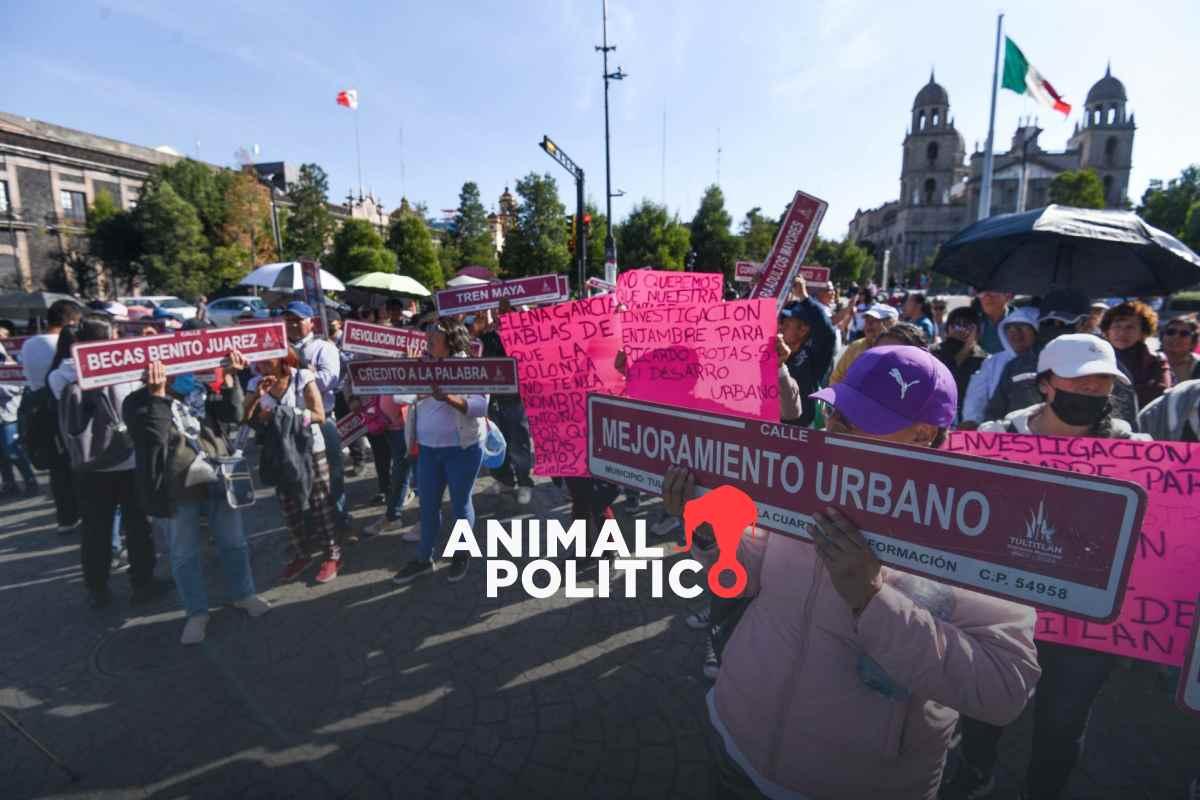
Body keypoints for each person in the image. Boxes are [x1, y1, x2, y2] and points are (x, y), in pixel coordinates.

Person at [664, 346, 1039, 799]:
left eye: (859, 420)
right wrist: (712, 533)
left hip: (860, 782)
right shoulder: (810, 481)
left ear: (923, 436)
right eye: (836, 411)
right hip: (737, 737)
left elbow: (1004, 688)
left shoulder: (974, 528)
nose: (833, 429)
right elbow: (756, 575)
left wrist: (872, 600)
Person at [947, 334, 1147, 800]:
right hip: (1001, 610)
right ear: (1046, 385)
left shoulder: (1137, 451)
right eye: (1080, 384)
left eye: (1103, 386)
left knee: (1062, 723)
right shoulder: (996, 438)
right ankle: (977, 769)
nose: (1092, 395)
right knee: (987, 705)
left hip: (1084, 626)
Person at [124, 355, 271, 645]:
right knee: (184, 553)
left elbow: (233, 413)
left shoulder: (199, 388)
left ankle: (244, 594)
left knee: (234, 542)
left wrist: (229, 380)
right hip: (176, 486)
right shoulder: (135, 402)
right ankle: (196, 612)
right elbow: (154, 437)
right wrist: (157, 396)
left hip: (218, 476)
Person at [47, 314, 169, 609]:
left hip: (88, 465)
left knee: (95, 529)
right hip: (127, 460)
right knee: (138, 525)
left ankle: (97, 588)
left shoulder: (60, 373)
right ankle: (142, 582)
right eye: (115, 336)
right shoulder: (123, 368)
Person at [392, 318, 487, 585]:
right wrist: (408, 372)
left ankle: (461, 554)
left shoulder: (470, 367)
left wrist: (448, 397)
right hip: (428, 450)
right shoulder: (421, 365)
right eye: (428, 335)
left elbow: (480, 406)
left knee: (460, 504)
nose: (428, 339)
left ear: (452, 340)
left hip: (462, 449)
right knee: (428, 506)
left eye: (434, 335)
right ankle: (424, 559)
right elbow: (399, 397)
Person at [246, 347, 343, 584]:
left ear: (282, 357)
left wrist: (283, 414)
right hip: (279, 453)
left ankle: (332, 553)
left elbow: (319, 414)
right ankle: (302, 553)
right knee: (289, 507)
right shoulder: (255, 383)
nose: (262, 363)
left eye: (267, 357)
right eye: (257, 359)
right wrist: (256, 396)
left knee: (320, 503)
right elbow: (246, 418)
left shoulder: (301, 377)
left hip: (309, 449)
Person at [984, 289, 1139, 427]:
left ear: (1084, 323)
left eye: (1063, 322)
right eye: (1047, 322)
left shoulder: (1110, 366)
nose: (1053, 327)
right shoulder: (1019, 364)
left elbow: (1128, 423)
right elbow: (994, 412)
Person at [283, 302, 349, 526]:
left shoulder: (324, 347)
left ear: (311, 322)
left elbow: (329, 379)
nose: (292, 324)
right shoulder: (278, 348)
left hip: (322, 419)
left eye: (298, 320)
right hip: (290, 422)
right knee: (299, 473)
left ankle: (340, 519)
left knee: (333, 471)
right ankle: (313, 523)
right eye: (288, 320)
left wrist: (298, 376)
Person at [21, 299, 82, 533]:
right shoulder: (64, 343)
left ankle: (66, 519)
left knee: (57, 469)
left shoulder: (28, 344)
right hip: (63, 409)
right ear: (72, 321)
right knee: (74, 462)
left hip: (40, 410)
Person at [477, 306, 534, 505]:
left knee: (519, 441)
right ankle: (504, 480)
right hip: (494, 399)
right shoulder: (488, 336)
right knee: (496, 442)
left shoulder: (523, 336)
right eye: (498, 312)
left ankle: (524, 482)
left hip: (516, 398)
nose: (501, 316)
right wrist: (482, 331)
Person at [960, 306, 1039, 429]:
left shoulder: (1047, 360)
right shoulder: (992, 362)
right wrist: (971, 420)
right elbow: (976, 397)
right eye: (1009, 328)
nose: (1015, 333)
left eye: (1023, 327)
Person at [777, 276, 836, 426]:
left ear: (803, 330)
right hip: (769, 427)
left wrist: (804, 297)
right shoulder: (771, 351)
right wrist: (756, 289)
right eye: (781, 321)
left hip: (801, 433)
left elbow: (827, 332)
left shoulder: (813, 357)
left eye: (787, 323)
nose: (780, 326)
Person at [1100, 300, 1171, 407]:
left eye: (1130, 327)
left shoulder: (1155, 360)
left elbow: (1160, 392)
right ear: (1107, 331)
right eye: (1117, 326)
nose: (1122, 333)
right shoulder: (1096, 357)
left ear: (1143, 332)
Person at [931, 306, 988, 419]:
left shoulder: (983, 358)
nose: (961, 329)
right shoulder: (934, 352)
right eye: (956, 324)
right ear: (948, 327)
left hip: (969, 418)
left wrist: (969, 346)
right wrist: (958, 348)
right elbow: (945, 376)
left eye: (967, 325)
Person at [0, 353, 39, 499]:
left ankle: (30, 481)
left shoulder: (10, 367)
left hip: (8, 416)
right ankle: (9, 483)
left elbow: (19, 387)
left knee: (12, 451)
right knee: (1, 455)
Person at [830, 303, 898, 384]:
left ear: (890, 324)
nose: (868, 324)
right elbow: (837, 377)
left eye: (875, 320)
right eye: (867, 320)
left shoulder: (897, 351)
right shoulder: (856, 346)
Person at [1160, 315, 1200, 385]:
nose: (1176, 336)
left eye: (1184, 334)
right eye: (1171, 332)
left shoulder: (1197, 365)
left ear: (1193, 342)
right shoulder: (1149, 360)